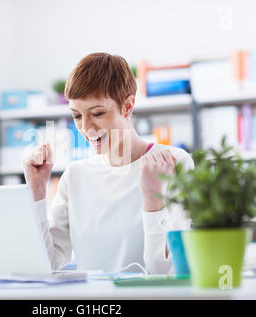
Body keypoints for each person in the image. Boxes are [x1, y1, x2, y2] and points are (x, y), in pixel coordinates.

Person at [23, 52, 194, 274]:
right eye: (76, 116)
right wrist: (36, 191)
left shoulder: (172, 163)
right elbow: (46, 264)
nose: (86, 127)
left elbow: (169, 273)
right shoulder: (75, 176)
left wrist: (153, 202)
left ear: (128, 106)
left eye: (97, 113)